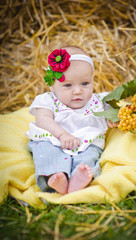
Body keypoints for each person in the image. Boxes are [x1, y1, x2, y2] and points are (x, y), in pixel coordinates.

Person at [26, 46, 118, 195]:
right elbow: (43, 120)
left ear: (92, 80)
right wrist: (62, 135)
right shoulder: (48, 100)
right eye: (68, 85)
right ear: (52, 85)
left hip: (86, 142)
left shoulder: (98, 100)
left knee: (90, 156)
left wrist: (112, 117)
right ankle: (56, 175)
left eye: (85, 83)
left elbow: (111, 107)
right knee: (45, 151)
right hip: (54, 139)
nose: (77, 91)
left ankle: (78, 177)